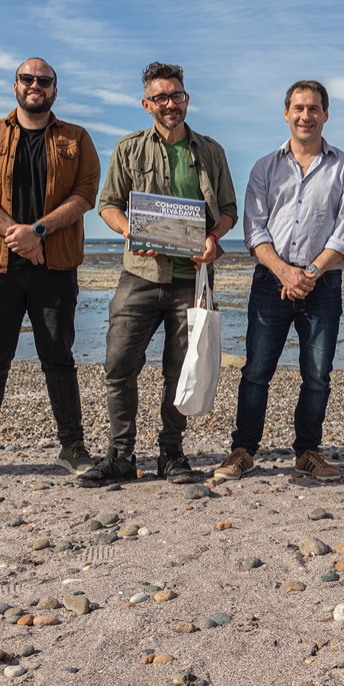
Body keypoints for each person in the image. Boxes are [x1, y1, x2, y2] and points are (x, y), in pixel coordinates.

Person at [82, 62, 237, 488]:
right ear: (146, 103)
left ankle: (171, 453)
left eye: (178, 96)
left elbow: (228, 211)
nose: (171, 104)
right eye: (162, 98)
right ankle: (120, 455)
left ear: (187, 99)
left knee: (180, 369)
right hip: (140, 273)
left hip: (192, 278)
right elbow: (108, 204)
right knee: (118, 362)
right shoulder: (128, 148)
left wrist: (214, 237)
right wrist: (130, 228)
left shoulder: (210, 151)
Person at [0, 58, 101, 477]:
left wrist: (39, 231)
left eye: (44, 81)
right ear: (15, 85)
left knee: (59, 356)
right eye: (28, 79)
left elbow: (86, 194)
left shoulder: (76, 137)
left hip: (56, 265)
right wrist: (16, 234)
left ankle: (72, 446)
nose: (36, 85)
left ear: (55, 89)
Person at [214, 80, 344, 481]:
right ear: (286, 113)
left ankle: (308, 452)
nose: (306, 116)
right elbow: (254, 232)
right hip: (269, 281)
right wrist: (285, 272)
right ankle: (243, 450)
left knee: (317, 374)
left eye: (314, 108)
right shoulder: (265, 167)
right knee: (256, 370)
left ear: (325, 115)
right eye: (298, 108)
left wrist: (309, 274)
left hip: (324, 286)